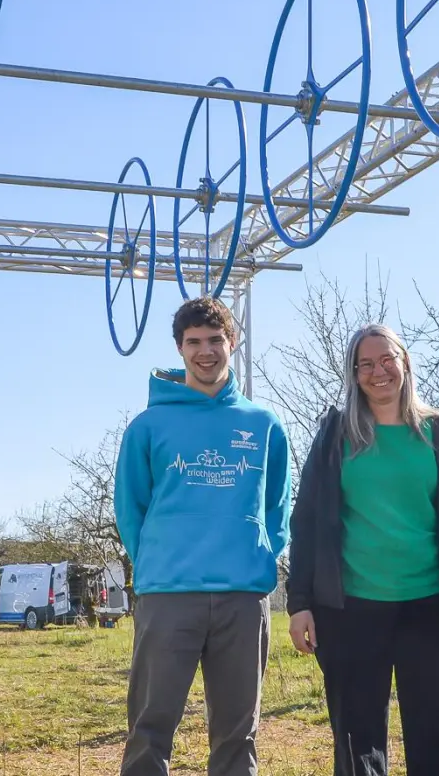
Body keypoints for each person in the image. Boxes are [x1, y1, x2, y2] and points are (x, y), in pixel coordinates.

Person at [285, 323, 439, 776]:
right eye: (365, 365)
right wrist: (299, 603)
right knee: (358, 742)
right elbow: (307, 520)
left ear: (404, 363)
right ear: (354, 375)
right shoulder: (335, 433)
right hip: (351, 610)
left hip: (433, 608)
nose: (378, 372)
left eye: (386, 360)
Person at [114, 296, 293, 776]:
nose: (205, 351)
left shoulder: (264, 425)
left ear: (232, 343)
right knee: (150, 728)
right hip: (169, 595)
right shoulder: (148, 427)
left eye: (215, 340)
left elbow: (278, 507)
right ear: (180, 349)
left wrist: (257, 559)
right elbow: (129, 510)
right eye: (194, 342)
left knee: (238, 734)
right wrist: (159, 558)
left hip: (242, 596)